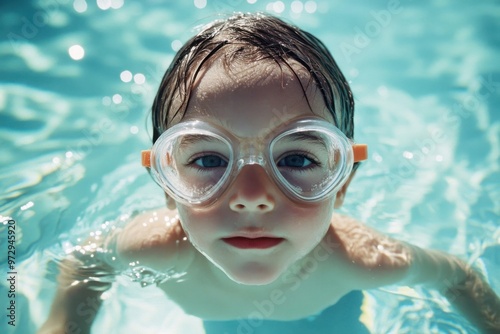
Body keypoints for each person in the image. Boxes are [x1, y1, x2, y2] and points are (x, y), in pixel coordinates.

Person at [39, 13, 500, 334]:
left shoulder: (359, 260)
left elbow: (458, 278)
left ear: (342, 183)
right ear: (165, 182)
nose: (252, 197)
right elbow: (86, 263)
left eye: (297, 160)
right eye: (208, 160)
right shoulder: (153, 248)